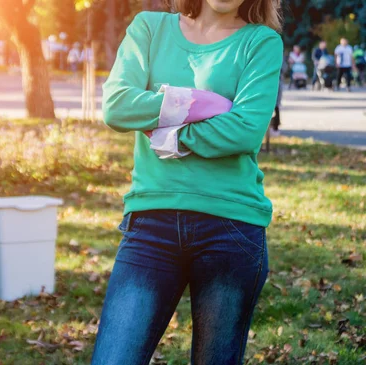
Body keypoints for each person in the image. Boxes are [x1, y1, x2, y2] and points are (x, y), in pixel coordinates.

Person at [93, 0, 282, 363]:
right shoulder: (149, 28)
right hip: (151, 224)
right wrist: (202, 104)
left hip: (231, 226)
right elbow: (117, 106)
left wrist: (166, 132)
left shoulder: (261, 42)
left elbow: (244, 132)